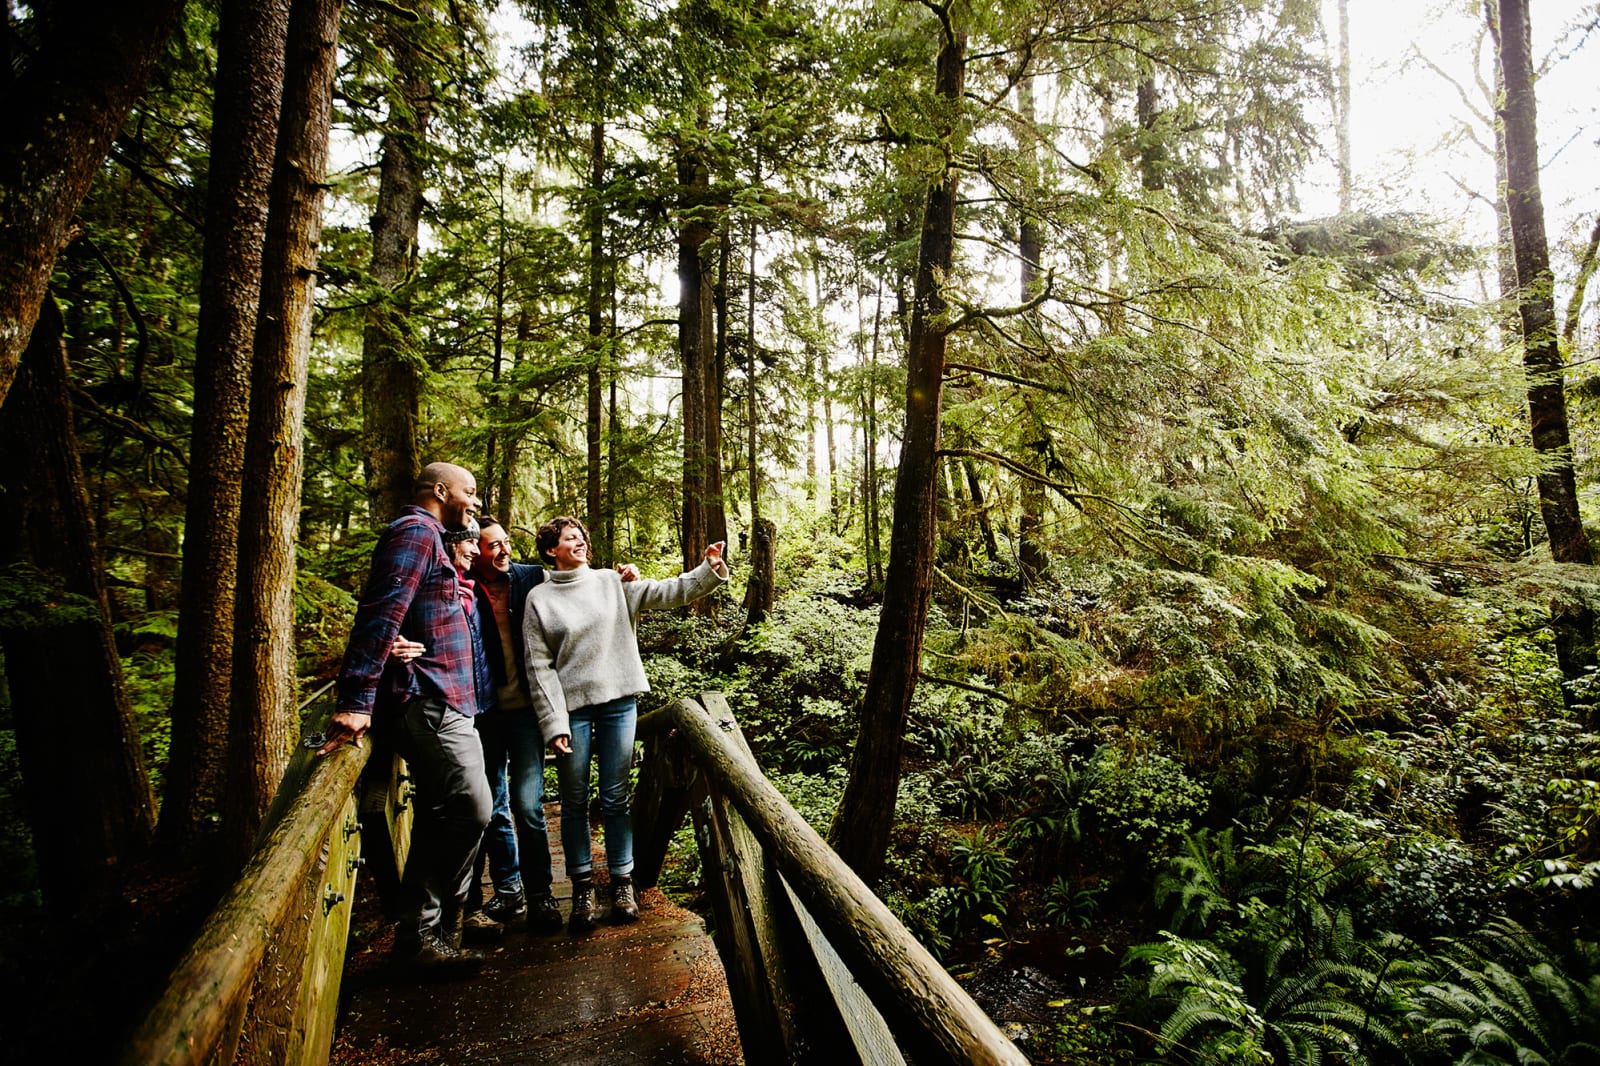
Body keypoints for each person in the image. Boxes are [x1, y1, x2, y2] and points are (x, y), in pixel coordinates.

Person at [522, 516, 729, 932]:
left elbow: (668, 591)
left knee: (616, 797)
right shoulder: (538, 600)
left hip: (619, 703)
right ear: (551, 550)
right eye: (569, 538)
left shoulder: (610, 582)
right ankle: (582, 889)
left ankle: (622, 883)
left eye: (581, 536)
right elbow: (538, 666)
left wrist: (709, 569)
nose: (579, 542)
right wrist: (553, 723)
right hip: (573, 712)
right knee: (575, 800)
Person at [323, 462, 490, 975]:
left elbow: (413, 615)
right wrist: (355, 701)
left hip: (450, 698)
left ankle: (427, 933)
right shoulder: (416, 531)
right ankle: (427, 928)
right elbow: (380, 613)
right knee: (472, 808)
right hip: (430, 700)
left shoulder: (436, 540)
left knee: (447, 813)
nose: (476, 501)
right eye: (470, 491)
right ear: (441, 491)